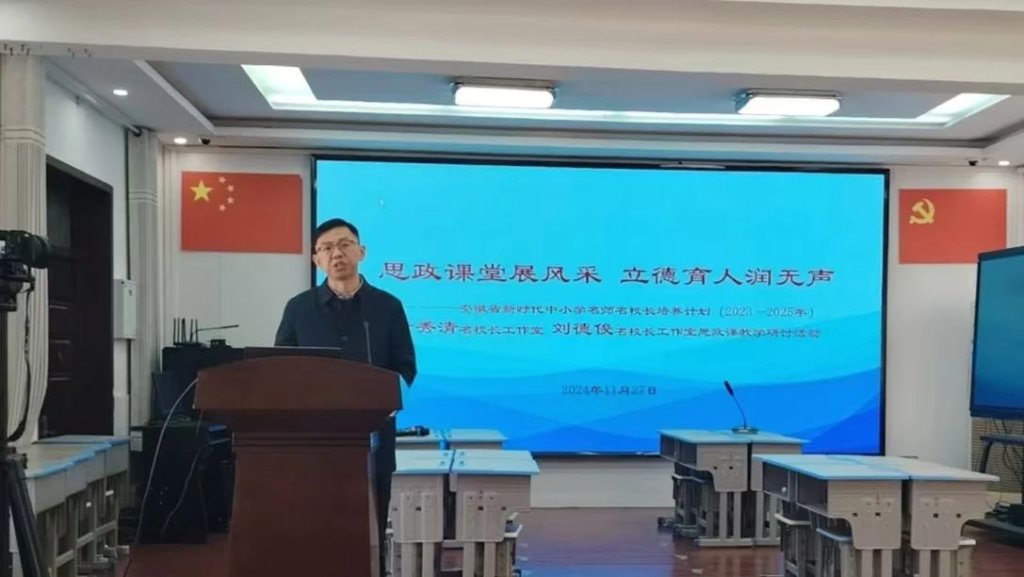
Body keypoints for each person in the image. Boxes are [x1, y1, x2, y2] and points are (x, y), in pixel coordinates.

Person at [274, 218, 416, 576]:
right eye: (326, 248)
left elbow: (405, 366)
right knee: (315, 519)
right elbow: (281, 368)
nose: (336, 253)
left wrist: (383, 400)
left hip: (375, 436)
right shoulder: (299, 308)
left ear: (361, 252)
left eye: (344, 244)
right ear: (316, 259)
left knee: (372, 516)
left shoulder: (388, 306)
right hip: (314, 438)